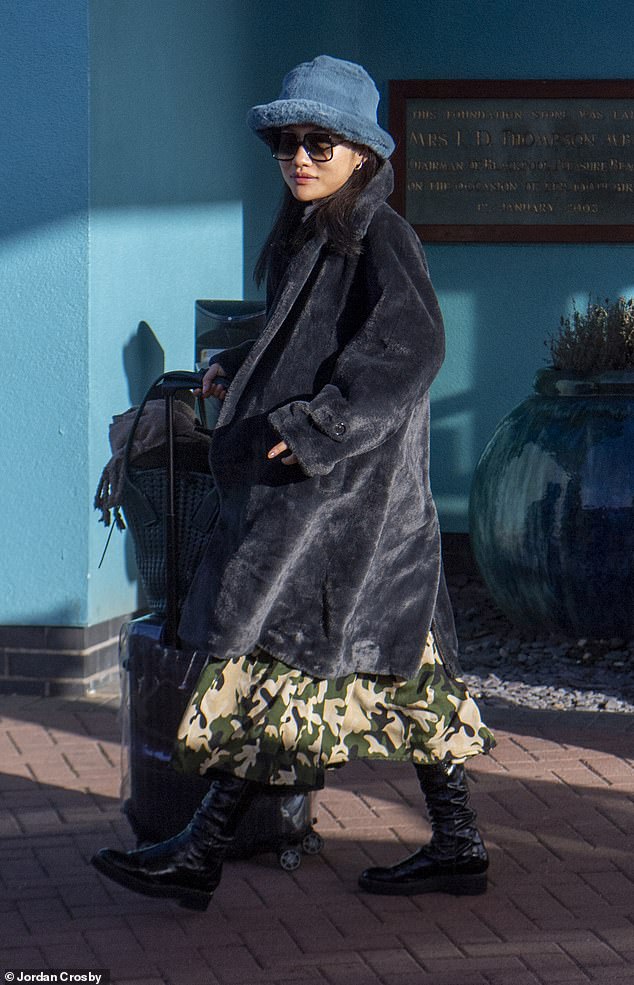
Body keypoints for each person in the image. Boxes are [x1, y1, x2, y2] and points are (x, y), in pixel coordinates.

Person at [92, 55, 494, 911]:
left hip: (351, 509)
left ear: (361, 154)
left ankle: (198, 850)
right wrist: (235, 370)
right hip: (343, 511)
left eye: (319, 140)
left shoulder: (381, 235)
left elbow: (408, 353)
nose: (299, 156)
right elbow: (307, 344)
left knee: (281, 667)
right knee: (396, 678)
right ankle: (458, 840)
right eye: (286, 141)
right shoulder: (313, 235)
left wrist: (312, 430)